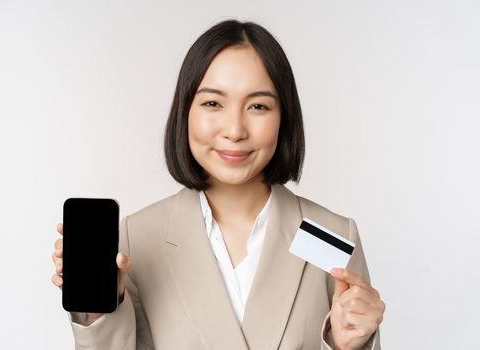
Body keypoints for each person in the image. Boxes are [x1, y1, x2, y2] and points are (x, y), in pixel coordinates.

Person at [50, 20, 385, 350]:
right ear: (185, 112)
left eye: (258, 106)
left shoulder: (333, 236)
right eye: (213, 103)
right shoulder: (137, 239)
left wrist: (348, 346)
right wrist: (96, 315)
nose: (235, 129)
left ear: (284, 118)